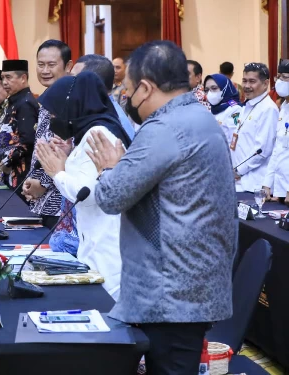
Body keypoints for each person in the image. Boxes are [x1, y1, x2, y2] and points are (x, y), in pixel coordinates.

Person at [86, 40, 236, 374]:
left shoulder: (166, 128)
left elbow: (111, 197)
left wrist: (110, 168)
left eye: (126, 90)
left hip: (171, 293)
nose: (125, 98)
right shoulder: (196, 116)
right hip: (188, 285)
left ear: (145, 87)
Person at [35, 71, 131, 300]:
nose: (54, 118)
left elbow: (86, 194)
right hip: (94, 241)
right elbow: (86, 177)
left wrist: (57, 172)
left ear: (72, 106)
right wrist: (67, 161)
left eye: (56, 112)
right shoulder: (89, 132)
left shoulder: (99, 133)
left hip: (107, 246)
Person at [23, 40, 72, 229]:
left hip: (59, 202)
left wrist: (41, 184)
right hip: (42, 200)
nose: (45, 70)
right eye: (41, 64)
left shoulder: (69, 100)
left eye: (51, 65)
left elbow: (64, 150)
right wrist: (32, 183)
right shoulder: (48, 97)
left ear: (68, 66)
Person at [232, 63, 278, 192]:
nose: (246, 86)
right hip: (240, 181)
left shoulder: (268, 109)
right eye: (244, 81)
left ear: (265, 84)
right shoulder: (247, 106)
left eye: (252, 81)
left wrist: (238, 171)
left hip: (254, 185)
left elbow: (262, 150)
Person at [0, 59, 38, 193]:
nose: (4, 82)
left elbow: (28, 142)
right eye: (2, 78)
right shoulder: (14, 101)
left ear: (23, 78)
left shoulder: (25, 103)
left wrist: (6, 162)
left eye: (8, 77)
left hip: (21, 173)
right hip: (10, 169)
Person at [72, 54, 135, 140]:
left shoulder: (106, 125)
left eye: (74, 79)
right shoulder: (97, 112)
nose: (69, 84)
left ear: (91, 83)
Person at [263, 60, 289, 202]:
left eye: (285, 77)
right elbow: (277, 150)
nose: (280, 81)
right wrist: (267, 184)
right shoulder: (283, 108)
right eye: (278, 77)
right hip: (281, 192)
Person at [203, 73, 242, 143]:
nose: (209, 93)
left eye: (214, 88)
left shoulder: (234, 110)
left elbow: (235, 142)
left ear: (225, 88)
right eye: (206, 90)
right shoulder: (211, 110)